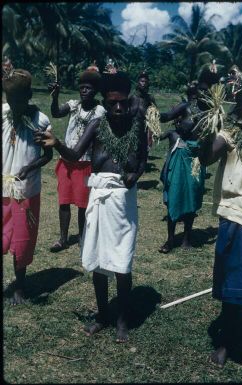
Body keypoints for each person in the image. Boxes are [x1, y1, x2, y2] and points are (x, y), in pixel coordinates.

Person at [34, 69, 148, 343]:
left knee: (121, 262)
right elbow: (75, 155)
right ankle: (103, 314)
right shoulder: (97, 125)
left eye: (121, 102)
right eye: (111, 103)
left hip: (122, 202)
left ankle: (122, 319)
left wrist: (135, 176)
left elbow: (143, 158)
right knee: (98, 262)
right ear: (105, 103)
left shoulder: (137, 126)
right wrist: (58, 143)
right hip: (98, 199)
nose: (117, 108)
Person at [199, 81, 242, 376]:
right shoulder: (231, 136)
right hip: (237, 221)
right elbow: (206, 156)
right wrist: (209, 128)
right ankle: (225, 342)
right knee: (232, 289)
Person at [2, 66, 53, 305]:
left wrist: (29, 168)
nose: (12, 105)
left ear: (28, 97)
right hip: (3, 187)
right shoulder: (3, 113)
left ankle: (19, 287)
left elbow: (48, 156)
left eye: (16, 101)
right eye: (8, 99)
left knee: (22, 240)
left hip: (25, 189)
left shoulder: (40, 121)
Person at [48, 64, 105, 252]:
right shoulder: (73, 105)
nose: (84, 90)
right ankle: (63, 239)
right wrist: (55, 97)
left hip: (85, 162)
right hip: (66, 161)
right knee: (64, 200)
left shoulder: (99, 112)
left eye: (88, 88)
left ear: (95, 90)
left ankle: (82, 237)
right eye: (81, 87)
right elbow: (56, 113)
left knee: (82, 203)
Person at [158, 81, 206, 253]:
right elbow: (166, 116)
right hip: (180, 155)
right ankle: (170, 240)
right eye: (201, 89)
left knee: (192, 197)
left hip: (197, 159)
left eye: (207, 90)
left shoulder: (212, 113)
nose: (204, 92)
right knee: (175, 195)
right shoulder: (185, 108)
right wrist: (151, 113)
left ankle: (187, 240)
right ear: (195, 91)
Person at [129, 71, 157, 147]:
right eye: (142, 81)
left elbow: (153, 120)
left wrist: (150, 137)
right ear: (138, 82)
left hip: (143, 132)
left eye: (145, 81)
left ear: (148, 83)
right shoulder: (131, 97)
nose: (143, 83)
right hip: (129, 131)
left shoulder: (150, 99)